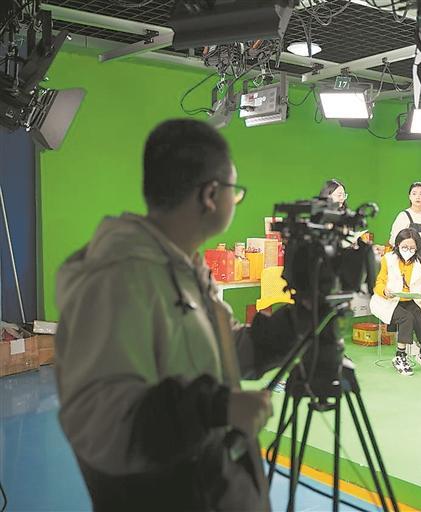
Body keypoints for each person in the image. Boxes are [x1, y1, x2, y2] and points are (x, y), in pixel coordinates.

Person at [54, 119, 306, 511]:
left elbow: (227, 350)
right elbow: (103, 423)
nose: (235, 200)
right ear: (210, 195)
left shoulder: (182, 268)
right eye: (235, 191)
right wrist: (217, 408)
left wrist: (302, 321)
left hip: (210, 487)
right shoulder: (119, 278)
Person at [370, 228, 421, 376]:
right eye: (405, 247)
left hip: (410, 299)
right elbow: (379, 283)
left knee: (419, 316)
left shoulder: (419, 263)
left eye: (412, 248)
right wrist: (385, 291)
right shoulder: (388, 259)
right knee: (406, 318)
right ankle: (400, 357)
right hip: (388, 300)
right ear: (398, 245)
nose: (408, 250)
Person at [389, 182, 421, 332]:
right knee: (408, 295)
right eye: (414, 193)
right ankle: (405, 333)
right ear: (409, 196)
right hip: (409, 263)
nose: (418, 197)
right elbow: (393, 240)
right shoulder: (403, 215)